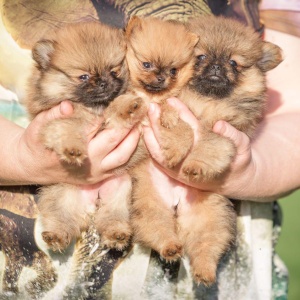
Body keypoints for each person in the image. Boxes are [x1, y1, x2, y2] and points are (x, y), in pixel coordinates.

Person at [0, 0, 298, 299]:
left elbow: (293, 107)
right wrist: (17, 156)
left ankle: (200, 255)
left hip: (231, 254)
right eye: (202, 58)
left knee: (199, 217)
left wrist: (251, 171)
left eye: (234, 63)